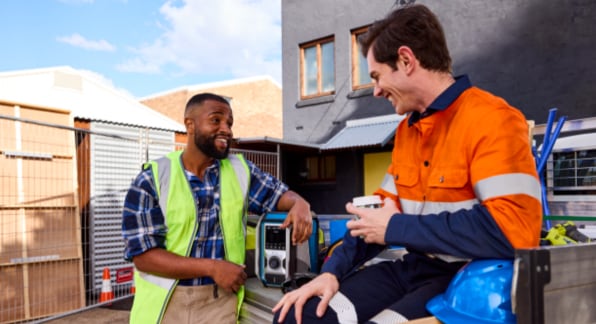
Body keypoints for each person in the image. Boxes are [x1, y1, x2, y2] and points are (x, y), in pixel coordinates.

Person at [273, 4, 542, 323]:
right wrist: (330, 273)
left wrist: (396, 227)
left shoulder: (492, 120)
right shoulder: (407, 131)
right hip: (412, 268)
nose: (374, 90)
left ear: (406, 60)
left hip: (463, 278)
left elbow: (515, 232)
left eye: (376, 76)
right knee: (296, 315)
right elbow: (377, 216)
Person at [122, 92, 313, 324]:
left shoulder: (241, 171)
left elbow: (280, 195)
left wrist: (300, 203)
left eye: (229, 123)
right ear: (190, 125)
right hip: (165, 306)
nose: (227, 129)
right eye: (216, 120)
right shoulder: (152, 178)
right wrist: (212, 267)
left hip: (220, 303)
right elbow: (143, 257)